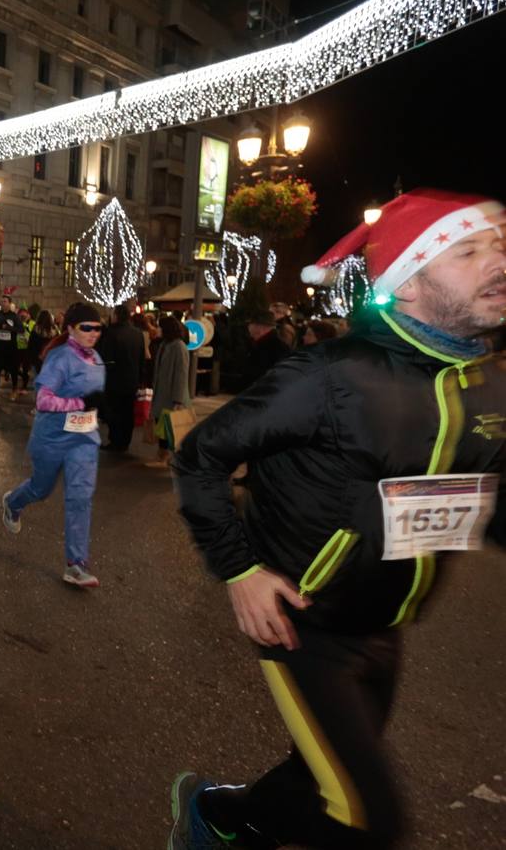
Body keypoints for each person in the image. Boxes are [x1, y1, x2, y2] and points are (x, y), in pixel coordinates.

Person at [168, 189, 506, 850]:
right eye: (468, 250)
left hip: (388, 625)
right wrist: (239, 568)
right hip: (304, 623)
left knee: (316, 776)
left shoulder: (490, 382)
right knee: (369, 821)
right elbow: (201, 456)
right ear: (408, 281)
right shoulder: (329, 376)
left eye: (499, 245)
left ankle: (215, 816)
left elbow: (488, 503)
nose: (497, 262)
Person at [1, 302, 106, 588]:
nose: (93, 333)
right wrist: (81, 403)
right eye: (87, 327)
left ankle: (76, 564)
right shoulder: (60, 357)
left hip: (84, 439)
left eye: (97, 328)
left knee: (80, 497)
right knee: (41, 488)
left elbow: (95, 399)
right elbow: (43, 401)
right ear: (71, 328)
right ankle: (13, 502)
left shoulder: (96, 358)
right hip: (52, 438)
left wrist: (101, 406)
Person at [96, 304, 145, 452]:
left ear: (116, 315)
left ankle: (115, 441)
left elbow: (107, 359)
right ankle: (125, 441)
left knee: (114, 411)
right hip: (132, 379)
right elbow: (141, 358)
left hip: (115, 380)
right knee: (128, 411)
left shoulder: (112, 333)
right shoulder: (137, 333)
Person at [148, 316, 191, 468]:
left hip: (172, 395)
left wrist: (178, 400)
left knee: (172, 428)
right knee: (162, 426)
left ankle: (169, 457)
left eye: (160, 327)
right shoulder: (165, 344)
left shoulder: (179, 346)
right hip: (162, 392)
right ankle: (163, 455)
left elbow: (181, 373)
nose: (157, 329)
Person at [239, 310, 289, 390]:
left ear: (260, 327)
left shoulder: (271, 347)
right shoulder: (261, 344)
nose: (248, 327)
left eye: (250, 324)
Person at [0, 296, 25, 399]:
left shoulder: (14, 316)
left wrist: (9, 328)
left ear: (10, 303)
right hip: (0, 347)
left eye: (5, 301)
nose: (3, 303)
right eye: (1, 301)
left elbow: (21, 330)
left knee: (13, 370)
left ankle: (14, 390)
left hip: (11, 348)